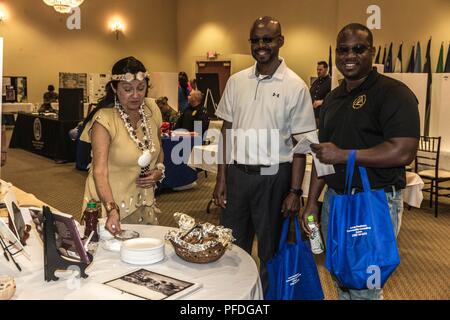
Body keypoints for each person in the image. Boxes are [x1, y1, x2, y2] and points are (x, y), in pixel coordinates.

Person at [301, 23, 420, 300]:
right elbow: (323, 155)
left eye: (358, 49)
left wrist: (344, 155)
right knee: (342, 275)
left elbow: (403, 151)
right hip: (335, 201)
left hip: (374, 201)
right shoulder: (331, 98)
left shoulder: (393, 93)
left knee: (366, 282)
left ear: (372, 52)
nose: (349, 56)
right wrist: (310, 205)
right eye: (343, 50)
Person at [213, 16, 317, 293]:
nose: (261, 45)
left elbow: (301, 146)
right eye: (256, 40)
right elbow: (226, 132)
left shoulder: (296, 86)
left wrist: (295, 191)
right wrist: (221, 178)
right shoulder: (236, 82)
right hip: (237, 176)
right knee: (231, 245)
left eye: (267, 39)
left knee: (270, 250)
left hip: (274, 178)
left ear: (280, 41)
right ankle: (234, 296)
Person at [80, 56, 165, 235]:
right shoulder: (105, 119)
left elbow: (159, 148)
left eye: (141, 88)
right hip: (109, 205)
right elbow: (99, 171)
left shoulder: (152, 109)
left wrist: (159, 169)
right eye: (127, 89)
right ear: (114, 88)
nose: (136, 95)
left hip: (144, 202)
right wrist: (111, 209)